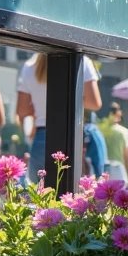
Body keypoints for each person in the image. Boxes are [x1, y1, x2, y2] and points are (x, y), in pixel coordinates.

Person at [16, 53, 102, 183]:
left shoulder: (29, 67)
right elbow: (94, 103)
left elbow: (21, 110)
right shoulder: (82, 61)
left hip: (42, 136)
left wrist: (39, 107)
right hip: (71, 134)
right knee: (75, 190)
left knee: (39, 190)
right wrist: (69, 101)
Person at [102, 102, 128, 181]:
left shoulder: (102, 131)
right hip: (119, 168)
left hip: (105, 168)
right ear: (118, 113)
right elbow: (126, 155)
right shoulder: (124, 131)